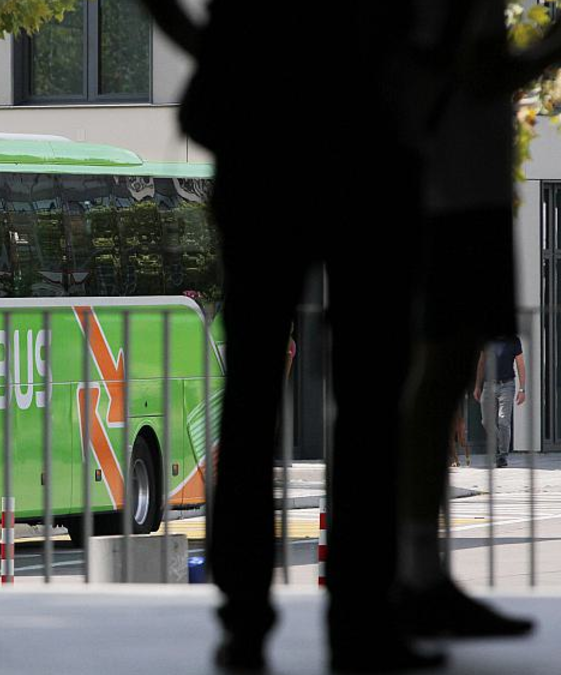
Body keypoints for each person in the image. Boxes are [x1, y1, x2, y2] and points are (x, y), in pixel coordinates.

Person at [141, 0, 438, 670]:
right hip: (368, 134)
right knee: (368, 398)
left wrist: (218, 51)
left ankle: (244, 612)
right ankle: (362, 612)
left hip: (262, 133)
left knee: (250, 392)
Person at [395, 0, 535, 641]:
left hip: (459, 168)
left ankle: (414, 569)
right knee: (435, 367)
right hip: (452, 175)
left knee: (437, 368)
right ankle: (415, 571)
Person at [473, 335, 527, 468]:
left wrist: (522, 389)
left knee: (503, 421)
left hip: (507, 385)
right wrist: (477, 386)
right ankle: (499, 444)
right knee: (486, 421)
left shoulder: (513, 340)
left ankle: (502, 455)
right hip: (488, 384)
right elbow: (481, 363)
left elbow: (520, 364)